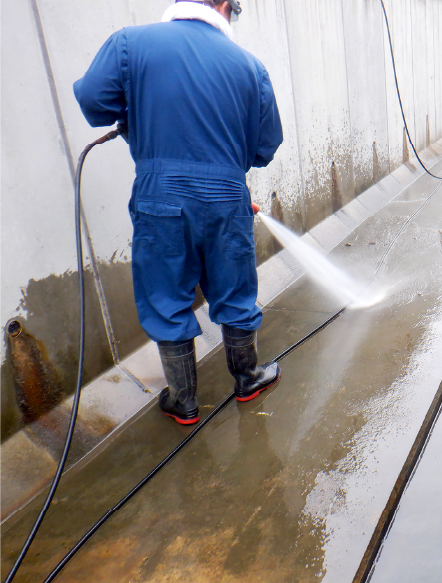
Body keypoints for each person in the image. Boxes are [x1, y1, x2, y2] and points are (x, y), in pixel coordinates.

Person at [73, 0, 284, 425]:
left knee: (166, 296)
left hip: (161, 196)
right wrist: (224, 169)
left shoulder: (131, 44)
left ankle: (183, 400)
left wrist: (136, 115)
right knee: (235, 291)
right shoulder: (250, 67)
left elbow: (93, 102)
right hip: (227, 195)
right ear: (222, 4)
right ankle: (248, 380)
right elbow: (265, 147)